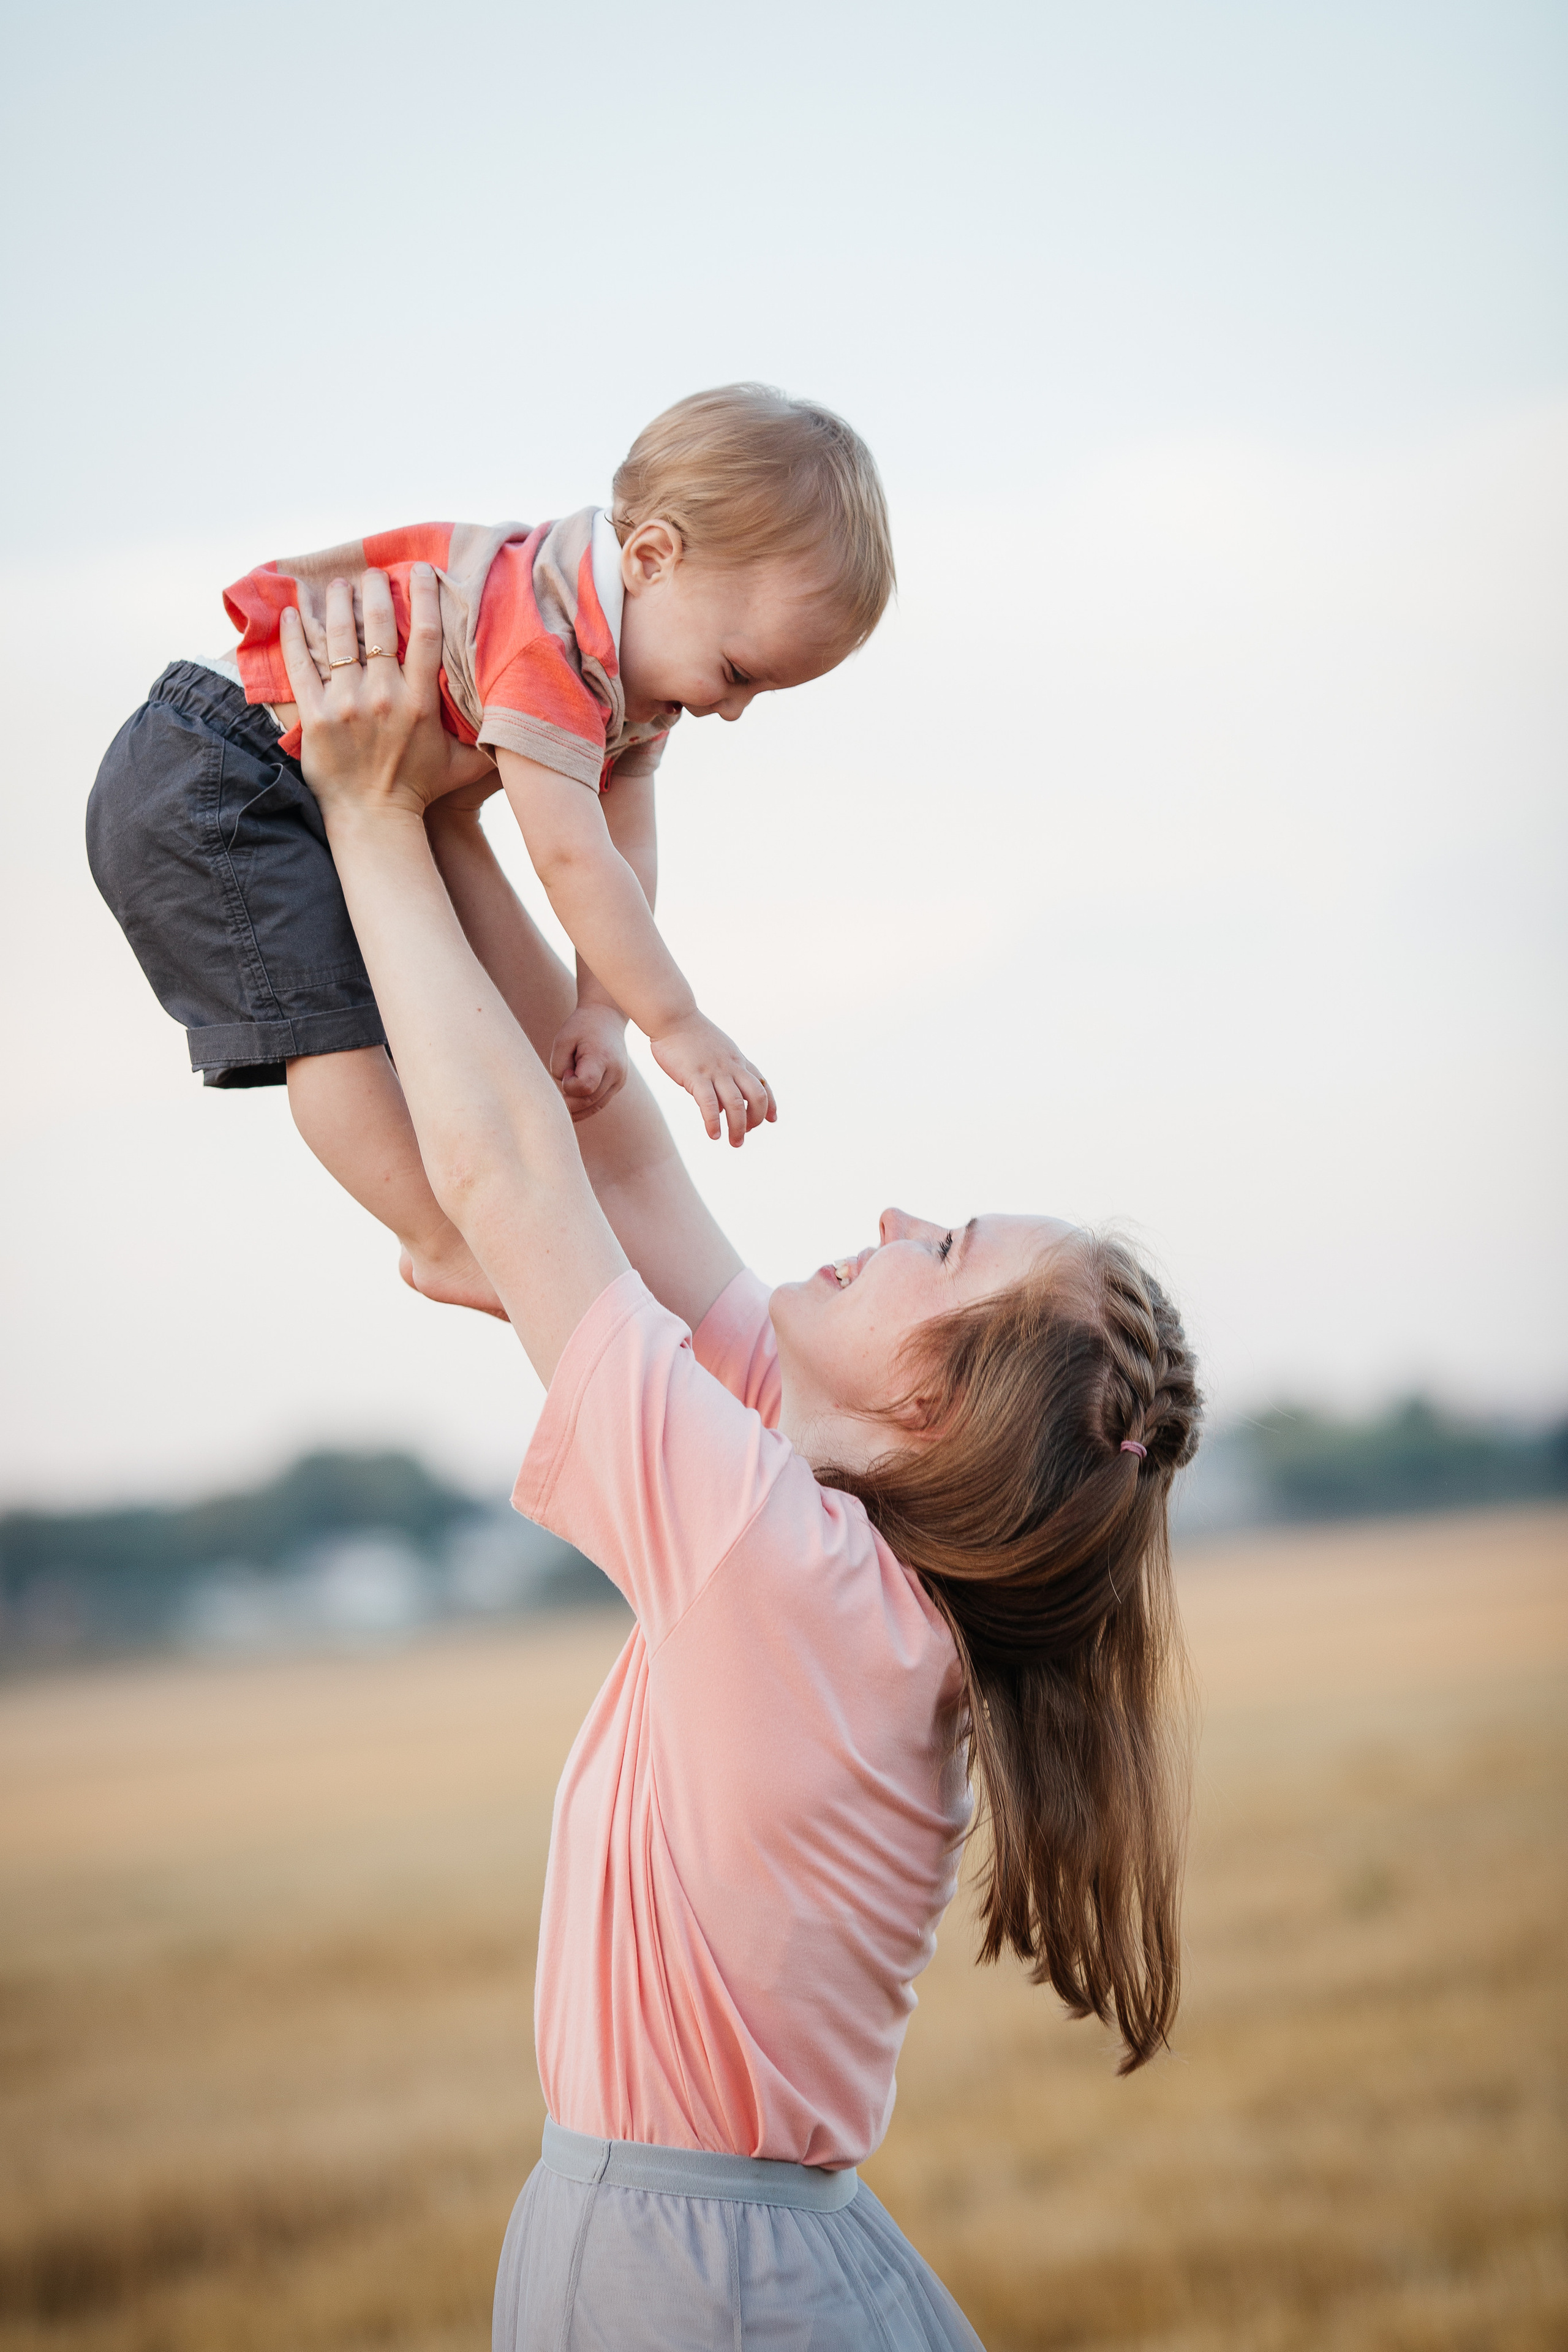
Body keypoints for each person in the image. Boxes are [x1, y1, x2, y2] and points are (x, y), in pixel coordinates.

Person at [282, 570, 1202, 2350]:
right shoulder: (817, 1518)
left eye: (944, 1251)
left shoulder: (783, 1564)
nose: (891, 1214)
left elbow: (514, 1184)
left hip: (704, 2286)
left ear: (939, 1413)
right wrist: (477, 802)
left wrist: (368, 815)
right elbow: (603, 1134)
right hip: (679, 2251)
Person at [86, 385, 894, 1316]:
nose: (731, 709)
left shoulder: (631, 661)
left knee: (368, 1017)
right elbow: (572, 858)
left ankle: (456, 1231)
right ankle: (438, 1240)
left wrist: (604, 1014)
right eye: (740, 671)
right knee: (327, 1034)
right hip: (209, 766)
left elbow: (624, 841)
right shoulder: (547, 642)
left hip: (271, 769)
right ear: (653, 557)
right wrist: (678, 1022)